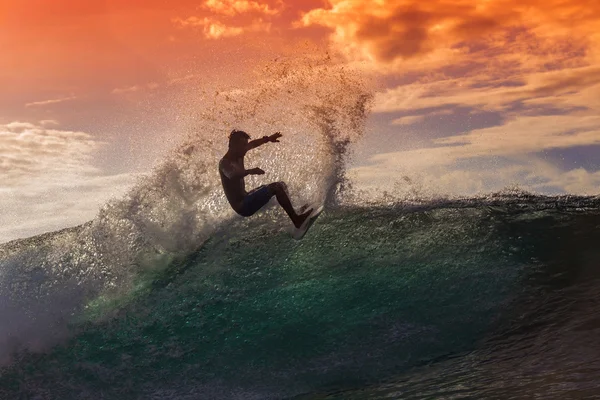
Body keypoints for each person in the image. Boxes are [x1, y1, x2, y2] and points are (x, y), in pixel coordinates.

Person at [219, 130, 313, 228]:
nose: (245, 149)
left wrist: (268, 139)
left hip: (246, 196)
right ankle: (297, 220)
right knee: (276, 188)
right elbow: (233, 175)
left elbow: (253, 144)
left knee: (281, 185)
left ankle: (295, 212)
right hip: (242, 206)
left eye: (245, 145)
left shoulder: (239, 153)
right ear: (234, 145)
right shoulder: (224, 163)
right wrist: (249, 171)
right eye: (243, 146)